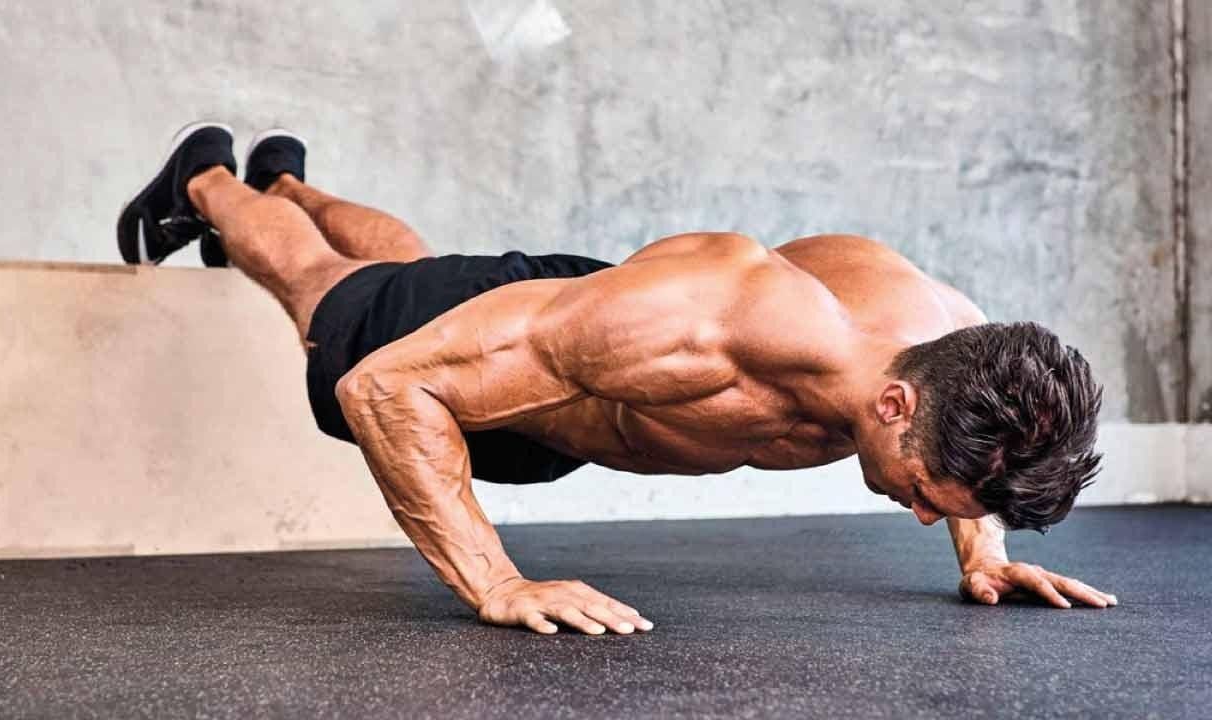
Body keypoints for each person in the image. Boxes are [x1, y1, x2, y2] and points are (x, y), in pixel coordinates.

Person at [118, 123, 1117, 636]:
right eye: (917, 494)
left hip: (572, 413)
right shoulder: (699, 322)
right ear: (890, 403)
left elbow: (981, 424)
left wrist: (978, 552)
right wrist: (495, 584)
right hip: (576, 347)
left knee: (406, 267)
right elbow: (384, 391)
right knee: (327, 295)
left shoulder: (952, 347)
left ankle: (287, 180)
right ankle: (205, 180)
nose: (917, 516)